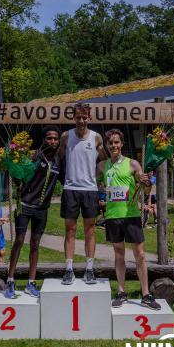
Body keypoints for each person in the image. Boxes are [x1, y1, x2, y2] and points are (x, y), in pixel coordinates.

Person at [97, 129, 161, 310]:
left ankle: (146, 294)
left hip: (131, 215)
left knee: (140, 255)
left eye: (117, 142)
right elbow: (93, 181)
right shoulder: (102, 166)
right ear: (107, 145)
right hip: (112, 216)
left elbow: (146, 190)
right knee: (119, 255)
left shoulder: (133, 164)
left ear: (122, 144)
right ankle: (122, 292)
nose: (114, 146)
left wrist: (147, 182)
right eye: (110, 143)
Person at [5, 125, 63, 299]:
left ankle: (31, 282)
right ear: (44, 139)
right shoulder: (33, 155)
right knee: (19, 241)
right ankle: (10, 279)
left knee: (35, 244)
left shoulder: (58, 160)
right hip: (25, 205)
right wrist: (15, 174)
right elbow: (18, 174)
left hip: (42, 209)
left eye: (55, 138)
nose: (52, 141)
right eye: (49, 138)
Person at [59, 103, 107, 285]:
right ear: (74, 117)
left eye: (84, 117)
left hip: (90, 190)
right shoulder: (66, 136)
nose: (81, 120)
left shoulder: (96, 137)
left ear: (89, 118)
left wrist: (95, 175)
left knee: (90, 231)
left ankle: (89, 269)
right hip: (70, 189)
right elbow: (58, 158)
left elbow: (104, 161)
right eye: (78, 117)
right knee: (70, 230)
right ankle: (69, 269)